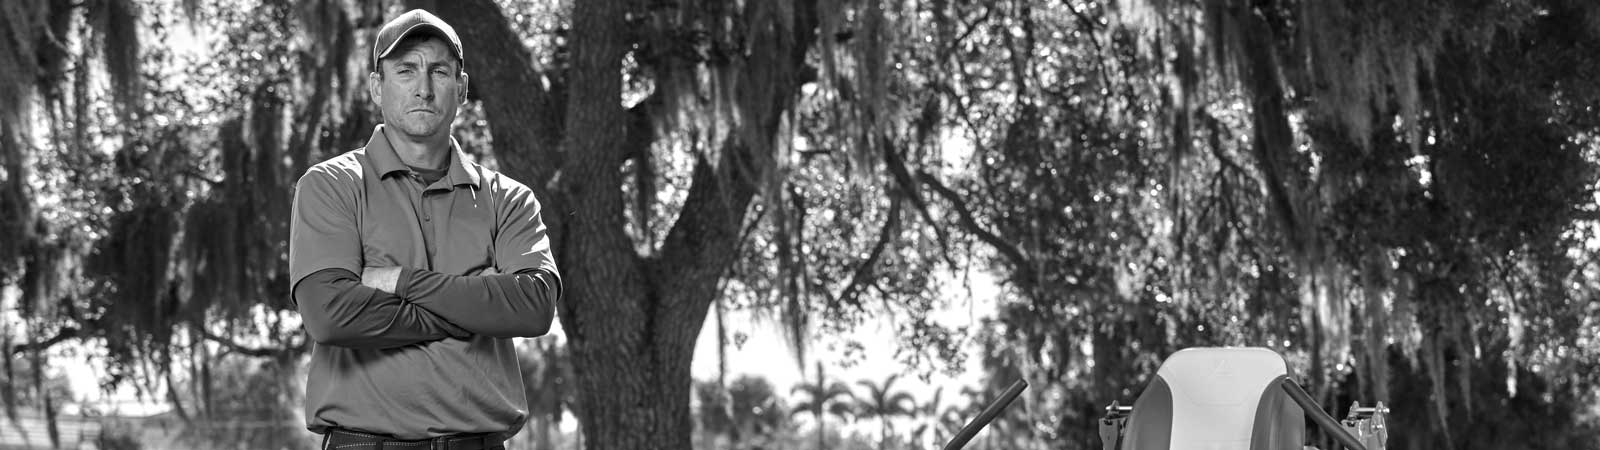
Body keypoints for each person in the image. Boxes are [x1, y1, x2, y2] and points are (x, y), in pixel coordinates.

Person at [288, 9, 560, 450]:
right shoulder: (330, 186)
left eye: (439, 70)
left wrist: (400, 282)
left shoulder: (509, 198)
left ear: (463, 88)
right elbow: (331, 315)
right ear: (378, 87)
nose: (424, 88)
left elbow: (532, 306)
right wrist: (474, 307)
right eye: (406, 70)